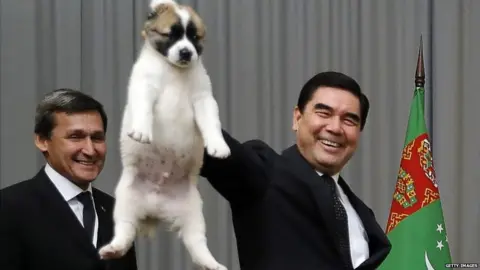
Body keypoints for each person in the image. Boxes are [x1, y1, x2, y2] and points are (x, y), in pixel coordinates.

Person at [200, 71, 392, 270]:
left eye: (349, 120)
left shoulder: (360, 213)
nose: (335, 128)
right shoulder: (265, 174)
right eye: (324, 113)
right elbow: (208, 146)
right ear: (297, 118)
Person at [0, 89, 138, 270]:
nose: (90, 150)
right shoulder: (8, 208)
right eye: (75, 137)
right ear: (42, 141)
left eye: (97, 138)